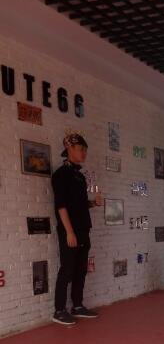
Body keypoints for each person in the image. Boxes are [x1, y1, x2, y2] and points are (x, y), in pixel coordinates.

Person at [51, 132, 102, 325]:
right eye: (81, 149)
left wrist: (93, 203)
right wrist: (69, 232)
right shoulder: (60, 175)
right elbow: (61, 206)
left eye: (85, 150)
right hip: (70, 230)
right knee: (67, 269)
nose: (84, 153)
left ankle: (77, 306)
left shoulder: (80, 176)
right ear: (69, 149)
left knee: (81, 269)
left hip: (83, 229)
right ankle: (59, 310)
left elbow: (79, 205)